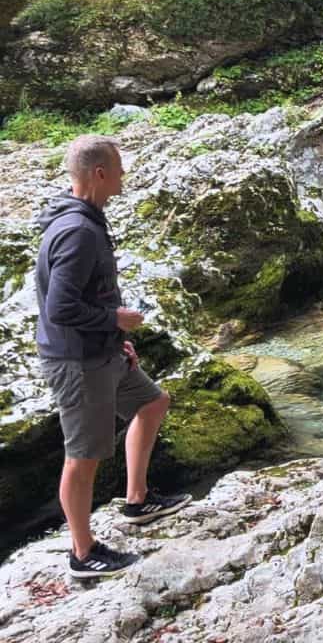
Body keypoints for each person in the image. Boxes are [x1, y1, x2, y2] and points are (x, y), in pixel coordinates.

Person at [35, 134, 191, 579]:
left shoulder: (79, 216)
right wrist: (114, 318)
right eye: (119, 168)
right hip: (78, 361)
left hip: (100, 348)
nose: (124, 176)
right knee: (82, 457)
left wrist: (112, 334)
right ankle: (82, 554)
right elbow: (59, 307)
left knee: (152, 402)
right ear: (100, 173)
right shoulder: (78, 231)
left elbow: (74, 294)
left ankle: (138, 500)